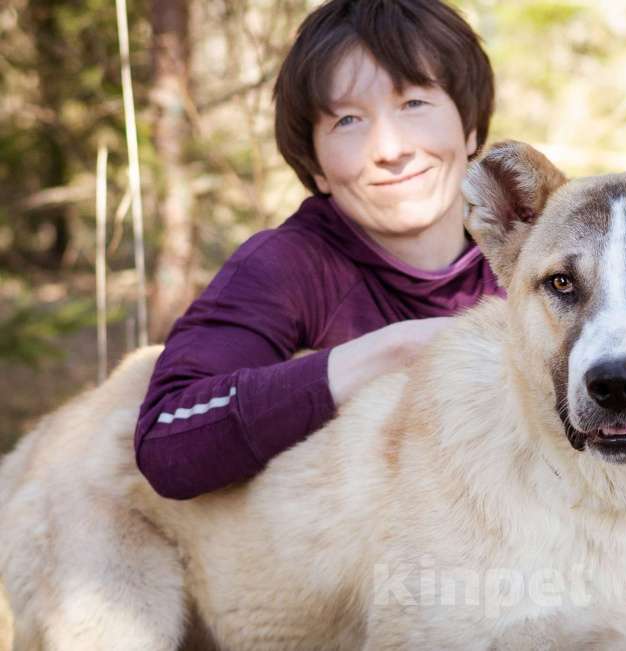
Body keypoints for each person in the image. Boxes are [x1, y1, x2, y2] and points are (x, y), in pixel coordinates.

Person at [134, 0, 500, 500]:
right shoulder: (287, 266)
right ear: (318, 166)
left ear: (470, 126)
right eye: (348, 120)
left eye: (414, 103)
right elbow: (167, 441)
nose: (390, 148)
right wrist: (389, 351)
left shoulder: (537, 259)